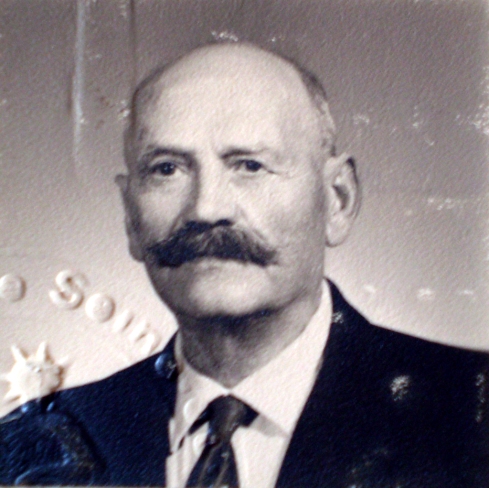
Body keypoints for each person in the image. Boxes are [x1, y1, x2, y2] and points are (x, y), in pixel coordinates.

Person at [1, 42, 489, 488]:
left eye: (250, 165)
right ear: (130, 217)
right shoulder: (31, 448)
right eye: (167, 169)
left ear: (337, 200)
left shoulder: (471, 415)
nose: (206, 208)